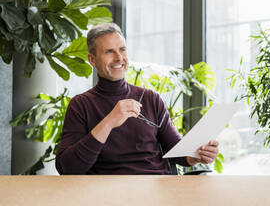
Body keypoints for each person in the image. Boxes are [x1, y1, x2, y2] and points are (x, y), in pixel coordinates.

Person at [55, 23, 219, 175]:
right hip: (109, 194)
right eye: (109, 51)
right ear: (92, 60)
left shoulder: (150, 99)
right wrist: (109, 121)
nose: (119, 57)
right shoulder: (81, 105)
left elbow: (177, 152)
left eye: (122, 49)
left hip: (157, 189)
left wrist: (196, 155)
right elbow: (67, 167)